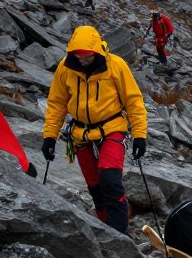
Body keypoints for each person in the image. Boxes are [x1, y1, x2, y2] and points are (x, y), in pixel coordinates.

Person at [41, 25, 147, 234]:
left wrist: (139, 135)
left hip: (112, 128)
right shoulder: (66, 67)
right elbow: (57, 104)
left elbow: (133, 102)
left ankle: (119, 232)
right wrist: (49, 137)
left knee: (109, 179)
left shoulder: (115, 66)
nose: (82, 60)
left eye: (87, 56)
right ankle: (105, 227)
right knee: (94, 186)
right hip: (80, 134)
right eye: (78, 56)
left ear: (97, 51)